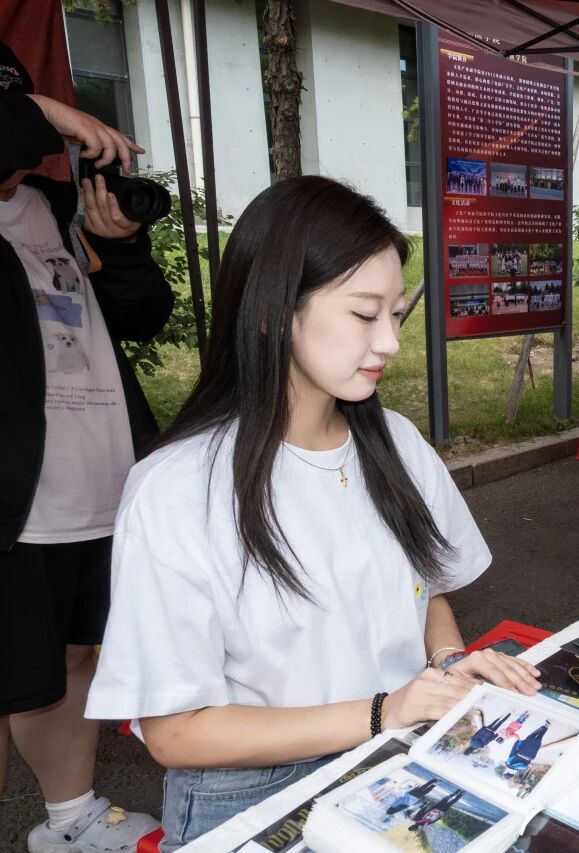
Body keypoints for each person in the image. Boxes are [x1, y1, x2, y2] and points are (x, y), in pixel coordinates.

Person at [83, 175, 543, 852]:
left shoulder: (395, 443)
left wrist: (448, 664)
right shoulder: (177, 489)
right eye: (364, 314)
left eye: (396, 313)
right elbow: (176, 733)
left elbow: (425, 589)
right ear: (275, 310)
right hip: (252, 792)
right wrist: (385, 710)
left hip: (394, 757)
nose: (389, 342)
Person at [0, 42, 172, 853]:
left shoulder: (50, 207)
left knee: (73, 659)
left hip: (97, 487)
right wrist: (44, 113)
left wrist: (122, 243)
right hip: (15, 505)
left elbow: (142, 317)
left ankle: (68, 818)